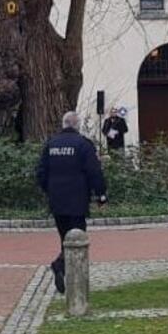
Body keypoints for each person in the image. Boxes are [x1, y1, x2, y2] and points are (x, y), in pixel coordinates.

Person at [36, 109, 108, 293]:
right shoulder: (83, 144)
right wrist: (101, 195)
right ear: (77, 125)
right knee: (77, 236)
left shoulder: (51, 144)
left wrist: (49, 190)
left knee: (64, 238)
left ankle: (67, 276)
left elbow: (41, 173)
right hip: (77, 200)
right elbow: (94, 172)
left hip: (57, 200)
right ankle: (60, 266)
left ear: (63, 124)